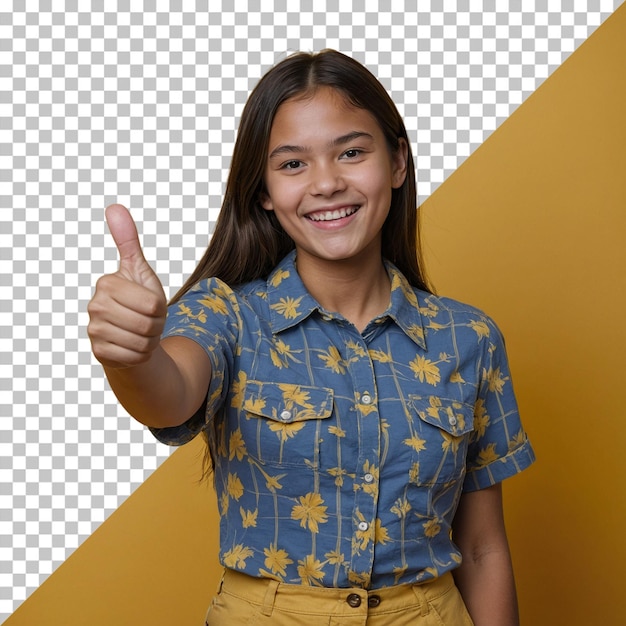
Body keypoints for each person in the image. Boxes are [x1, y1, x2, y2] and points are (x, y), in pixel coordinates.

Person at [88, 49, 535, 626]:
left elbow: (481, 548)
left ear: (397, 163)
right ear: (265, 191)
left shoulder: (468, 338)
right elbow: (168, 393)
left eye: (351, 152)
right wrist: (132, 356)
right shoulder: (226, 315)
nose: (326, 183)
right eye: (293, 164)